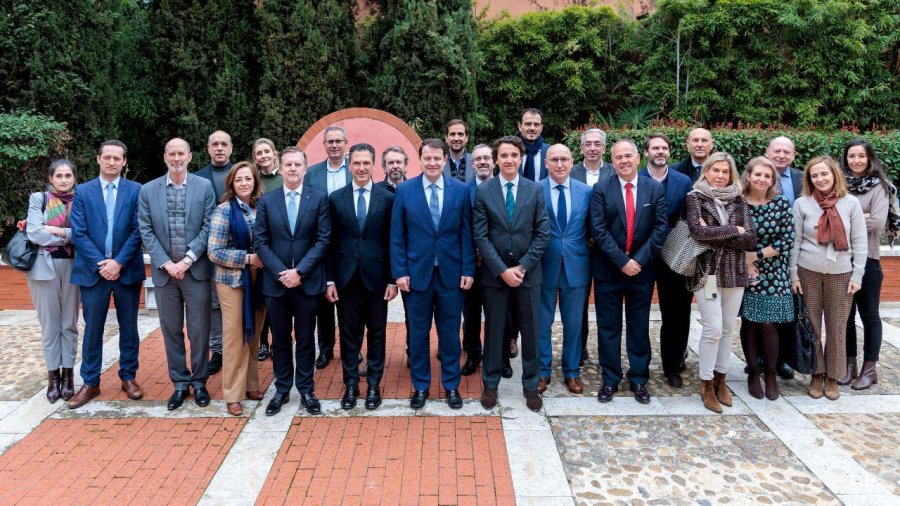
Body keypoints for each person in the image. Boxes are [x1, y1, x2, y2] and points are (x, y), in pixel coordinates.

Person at [390, 138, 475, 410]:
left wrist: (468, 269)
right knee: (418, 334)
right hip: (416, 277)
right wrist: (399, 272)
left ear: (443, 160)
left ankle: (451, 386)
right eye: (428, 158)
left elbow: (466, 234)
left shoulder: (460, 191)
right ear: (420, 159)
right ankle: (421, 386)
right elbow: (397, 236)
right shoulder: (405, 190)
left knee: (450, 334)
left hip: (451, 275)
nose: (433, 163)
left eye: (437, 158)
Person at [138, 138, 216, 410]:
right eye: (171, 153)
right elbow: (145, 230)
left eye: (181, 153)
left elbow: (209, 226)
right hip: (165, 275)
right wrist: (166, 263)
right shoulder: (148, 190)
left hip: (194, 271)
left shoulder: (204, 187)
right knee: (171, 330)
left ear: (190, 157)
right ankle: (180, 383)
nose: (176, 158)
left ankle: (200, 382)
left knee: (198, 331)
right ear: (165, 157)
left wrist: (187, 260)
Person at [473, 135, 549, 412]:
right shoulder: (484, 191)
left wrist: (523, 266)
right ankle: (490, 385)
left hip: (529, 274)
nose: (509, 160)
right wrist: (502, 270)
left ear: (521, 158)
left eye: (514, 155)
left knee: (531, 332)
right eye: (503, 155)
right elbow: (481, 236)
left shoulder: (534, 189)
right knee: (494, 332)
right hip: (495, 276)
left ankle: (530, 386)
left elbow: (543, 233)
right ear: (496, 159)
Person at [68, 140, 146, 409]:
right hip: (93, 272)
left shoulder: (136, 190)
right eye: (107, 157)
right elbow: (78, 232)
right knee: (93, 330)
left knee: (129, 327)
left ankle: (128, 377)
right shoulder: (83, 192)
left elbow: (139, 230)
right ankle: (90, 382)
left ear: (124, 162)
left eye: (117, 158)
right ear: (98, 159)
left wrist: (119, 263)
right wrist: (103, 263)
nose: (112, 162)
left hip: (127, 271)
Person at [591, 139, 668, 405]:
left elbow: (661, 229)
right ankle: (610, 379)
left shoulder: (654, 189)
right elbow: (598, 230)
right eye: (618, 157)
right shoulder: (601, 189)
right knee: (608, 327)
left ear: (638, 158)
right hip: (609, 271)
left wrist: (638, 260)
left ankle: (638, 379)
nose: (623, 161)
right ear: (612, 162)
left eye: (628, 156)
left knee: (638, 327)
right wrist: (621, 262)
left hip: (642, 272)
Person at [254, 147, 331, 416]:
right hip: (276, 284)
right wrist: (282, 273)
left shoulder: (319, 199)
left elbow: (323, 240)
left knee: (307, 338)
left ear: (305, 168)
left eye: (298, 164)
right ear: (281, 166)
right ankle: (283, 388)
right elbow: (261, 242)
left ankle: (307, 389)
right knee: (280, 340)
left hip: (307, 283)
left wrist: (299, 272)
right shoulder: (267, 200)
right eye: (288, 164)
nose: (293, 169)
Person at [325, 143, 397, 410]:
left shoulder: (387, 198)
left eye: (366, 163)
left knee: (377, 334)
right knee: (348, 335)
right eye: (356, 163)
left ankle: (375, 385)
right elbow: (329, 243)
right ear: (349, 164)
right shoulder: (336, 198)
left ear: (374, 164)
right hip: (346, 280)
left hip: (378, 280)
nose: (361, 168)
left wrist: (392, 279)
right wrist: (329, 279)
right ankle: (351, 385)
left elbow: (393, 241)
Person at [790, 156, 867, 401]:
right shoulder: (802, 204)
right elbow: (795, 242)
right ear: (809, 179)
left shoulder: (850, 203)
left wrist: (857, 274)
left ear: (834, 174)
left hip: (841, 274)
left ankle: (833, 376)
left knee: (837, 327)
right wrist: (793, 275)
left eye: (824, 174)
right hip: (808, 272)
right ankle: (816, 373)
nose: (820, 179)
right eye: (814, 175)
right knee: (811, 326)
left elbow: (860, 243)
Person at [685, 152, 756, 413]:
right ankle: (705, 384)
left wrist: (720, 234)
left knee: (728, 328)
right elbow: (698, 233)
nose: (720, 176)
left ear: (731, 175)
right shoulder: (695, 198)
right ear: (706, 171)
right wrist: (733, 230)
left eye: (725, 172)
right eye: (715, 170)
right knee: (713, 328)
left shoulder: (739, 199)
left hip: (735, 271)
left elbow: (750, 239)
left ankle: (720, 379)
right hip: (709, 274)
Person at [208, 161, 268, 416]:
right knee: (235, 336)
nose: (244, 183)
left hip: (260, 280)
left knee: (254, 334)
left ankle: (251, 385)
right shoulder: (224, 211)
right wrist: (247, 258)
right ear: (231, 184)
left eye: (248, 179)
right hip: (232, 281)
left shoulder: (262, 208)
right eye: (239, 179)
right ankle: (232, 393)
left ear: (255, 182)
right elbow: (214, 251)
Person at [840, 139, 899, 390]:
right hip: (841, 260)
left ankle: (869, 368)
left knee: (870, 316)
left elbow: (876, 223)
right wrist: (858, 217)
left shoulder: (881, 187)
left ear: (869, 158)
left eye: (861, 156)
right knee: (845, 316)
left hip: (869, 261)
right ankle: (849, 365)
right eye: (851, 156)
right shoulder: (839, 184)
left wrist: (843, 221)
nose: (856, 161)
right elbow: (826, 217)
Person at [639, 134, 693, 388]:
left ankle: (672, 365)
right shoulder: (636, 179)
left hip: (675, 255)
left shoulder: (683, 182)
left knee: (676, 312)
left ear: (669, 152)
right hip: (641, 254)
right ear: (646, 152)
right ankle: (640, 365)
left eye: (664, 148)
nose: (660, 152)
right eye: (655, 148)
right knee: (638, 312)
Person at [739, 157, 794, 400]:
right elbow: (730, 235)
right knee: (750, 322)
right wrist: (747, 260)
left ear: (773, 180)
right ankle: (753, 371)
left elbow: (787, 239)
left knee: (770, 323)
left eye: (767, 176)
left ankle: (770, 373)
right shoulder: (737, 203)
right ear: (748, 176)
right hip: (743, 270)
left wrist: (757, 255)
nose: (762, 179)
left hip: (775, 270)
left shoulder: (781, 203)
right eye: (757, 174)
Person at [537, 144, 591, 394]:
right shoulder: (535, 190)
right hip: (543, 266)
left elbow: (592, 229)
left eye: (564, 160)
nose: (559, 164)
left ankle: (572, 371)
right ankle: (542, 370)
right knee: (542, 322)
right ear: (546, 163)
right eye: (554, 160)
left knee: (573, 324)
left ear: (572, 162)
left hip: (576, 266)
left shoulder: (586, 192)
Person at [25, 159, 79, 403]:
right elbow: (35, 232)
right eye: (59, 175)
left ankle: (68, 376)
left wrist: (59, 231)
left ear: (74, 179)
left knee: (69, 324)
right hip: (42, 269)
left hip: (73, 267)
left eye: (68, 175)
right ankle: (53, 378)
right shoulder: (39, 199)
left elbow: (82, 232)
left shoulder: (81, 199)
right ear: (51, 178)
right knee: (49, 327)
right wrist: (67, 237)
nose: (64, 179)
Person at [305, 125, 351, 370]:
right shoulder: (312, 173)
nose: (334, 145)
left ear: (345, 143)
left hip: (347, 244)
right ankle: (325, 349)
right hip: (320, 244)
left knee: (347, 302)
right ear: (324, 145)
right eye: (330, 141)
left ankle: (349, 348)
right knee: (323, 302)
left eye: (338, 141)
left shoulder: (355, 171)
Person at [572, 128, 615, 365]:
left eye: (597, 144)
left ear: (603, 148)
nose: (592, 148)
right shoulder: (570, 171)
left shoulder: (614, 171)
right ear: (581, 148)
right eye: (587, 144)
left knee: (605, 304)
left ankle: (607, 354)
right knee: (578, 304)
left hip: (607, 249)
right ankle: (578, 351)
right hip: (579, 247)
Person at [196, 130, 234, 376]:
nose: (219, 148)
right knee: (212, 305)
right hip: (207, 253)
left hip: (238, 252)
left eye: (224, 144)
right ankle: (217, 350)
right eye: (215, 144)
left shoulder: (242, 174)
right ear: (208, 148)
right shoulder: (197, 178)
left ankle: (236, 349)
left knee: (237, 305)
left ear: (231, 148)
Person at [460, 144, 495, 376]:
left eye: (487, 158)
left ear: (494, 162)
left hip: (497, 265)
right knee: (471, 314)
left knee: (497, 313)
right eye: (478, 159)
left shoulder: (502, 188)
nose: (483, 162)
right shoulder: (464, 191)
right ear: (473, 164)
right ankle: (473, 355)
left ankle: (497, 358)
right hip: (471, 264)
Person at [252, 138, 282, 361]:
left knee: (276, 298)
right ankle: (262, 342)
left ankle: (278, 340)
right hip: (257, 242)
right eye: (259, 153)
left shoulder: (284, 178)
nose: (263, 156)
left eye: (266, 152)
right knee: (261, 297)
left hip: (279, 245)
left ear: (274, 153)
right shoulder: (253, 180)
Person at [517, 108, 550, 181]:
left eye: (536, 125)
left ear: (541, 128)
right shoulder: (511, 151)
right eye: (528, 124)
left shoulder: (550, 152)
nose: (532, 128)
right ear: (520, 127)